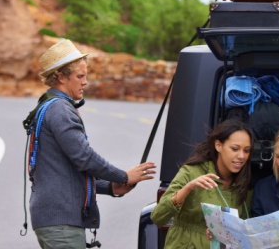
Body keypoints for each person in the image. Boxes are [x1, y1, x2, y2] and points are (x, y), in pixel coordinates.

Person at [24, 39, 157, 249]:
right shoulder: (60, 109)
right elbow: (84, 157)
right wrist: (123, 176)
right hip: (61, 222)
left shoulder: (52, 105)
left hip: (58, 220)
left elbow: (70, 171)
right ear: (60, 76)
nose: (85, 82)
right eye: (80, 76)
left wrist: (110, 187)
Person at [151, 117, 254, 248]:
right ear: (218, 146)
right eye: (235, 149)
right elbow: (158, 217)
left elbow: (243, 234)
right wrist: (188, 188)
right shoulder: (191, 172)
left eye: (246, 150)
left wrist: (221, 234)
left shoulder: (244, 183)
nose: (241, 156)